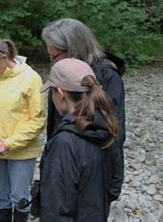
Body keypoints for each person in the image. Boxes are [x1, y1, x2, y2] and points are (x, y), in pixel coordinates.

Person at [41, 18, 126, 203]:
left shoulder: (107, 78)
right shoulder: (61, 75)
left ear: (72, 49)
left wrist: (113, 183)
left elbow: (115, 132)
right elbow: (55, 126)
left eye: (53, 57)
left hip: (94, 173)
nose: (52, 62)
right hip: (64, 164)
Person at [38, 58, 121, 221]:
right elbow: (114, 185)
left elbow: (55, 207)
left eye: (52, 92)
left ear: (60, 94)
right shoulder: (108, 126)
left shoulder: (64, 142)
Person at [0, 35, 46, 222]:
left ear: (5, 58)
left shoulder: (30, 78)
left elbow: (38, 121)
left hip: (22, 151)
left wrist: (10, 143)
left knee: (20, 197)